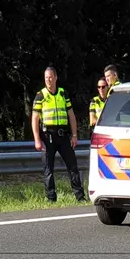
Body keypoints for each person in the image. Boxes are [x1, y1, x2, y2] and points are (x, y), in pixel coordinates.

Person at [31, 66, 86, 202]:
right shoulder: (41, 95)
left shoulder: (63, 94)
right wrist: (37, 139)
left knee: (73, 166)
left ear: (56, 78)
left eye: (50, 77)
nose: (48, 80)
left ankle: (80, 196)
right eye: (46, 78)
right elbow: (35, 118)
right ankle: (51, 198)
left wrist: (74, 135)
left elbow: (71, 115)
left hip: (63, 136)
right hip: (47, 136)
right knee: (48, 169)